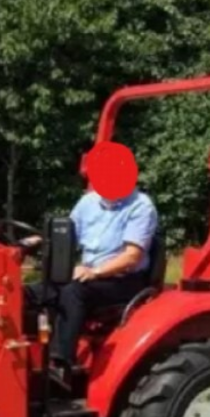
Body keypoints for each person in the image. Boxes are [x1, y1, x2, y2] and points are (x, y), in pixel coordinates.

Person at [23, 142, 159, 372]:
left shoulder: (141, 207)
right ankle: (25, 355)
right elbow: (68, 233)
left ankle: (61, 363)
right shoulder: (88, 202)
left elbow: (131, 257)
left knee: (73, 292)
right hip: (89, 274)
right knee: (31, 293)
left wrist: (94, 271)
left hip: (122, 280)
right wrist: (36, 241)